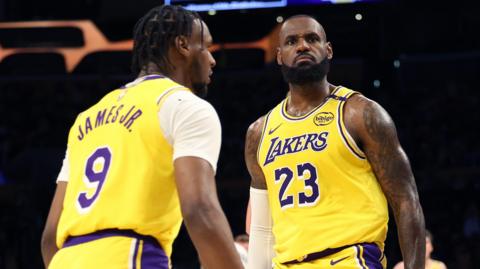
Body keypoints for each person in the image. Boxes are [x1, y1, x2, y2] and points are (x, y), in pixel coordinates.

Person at [40, 5, 243, 269]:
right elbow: (199, 209)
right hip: (130, 256)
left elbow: (49, 236)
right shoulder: (184, 105)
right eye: (205, 47)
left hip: (65, 260)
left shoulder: (86, 118)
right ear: (182, 45)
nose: (212, 59)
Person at [244, 15, 425, 269]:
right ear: (279, 56)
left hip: (349, 258)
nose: (302, 46)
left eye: (312, 38)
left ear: (328, 50)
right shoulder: (259, 133)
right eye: (291, 41)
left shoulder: (360, 114)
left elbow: (406, 200)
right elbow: (262, 229)